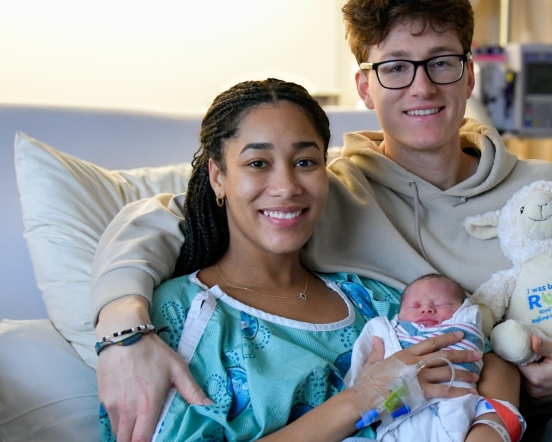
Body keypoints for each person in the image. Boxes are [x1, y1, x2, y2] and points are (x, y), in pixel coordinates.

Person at [91, 0, 552, 440]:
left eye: (441, 63)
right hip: (418, 422)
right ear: (364, 86)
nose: (422, 87)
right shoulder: (325, 191)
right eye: (397, 68)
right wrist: (121, 325)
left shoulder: (549, 193)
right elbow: (168, 216)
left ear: (470, 74)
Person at [94, 79, 504, 441]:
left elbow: (484, 357)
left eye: (305, 162)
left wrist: (492, 429)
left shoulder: (370, 300)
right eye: (258, 164)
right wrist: (362, 399)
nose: (286, 186)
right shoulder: (177, 319)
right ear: (219, 177)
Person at [347, 273, 525, 442]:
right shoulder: (388, 331)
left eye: (440, 304)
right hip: (396, 409)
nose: (427, 309)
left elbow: (493, 360)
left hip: (454, 401)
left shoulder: (462, 327)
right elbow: (360, 367)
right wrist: (358, 389)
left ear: (462, 309)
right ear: (399, 314)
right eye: (415, 306)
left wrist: (490, 426)